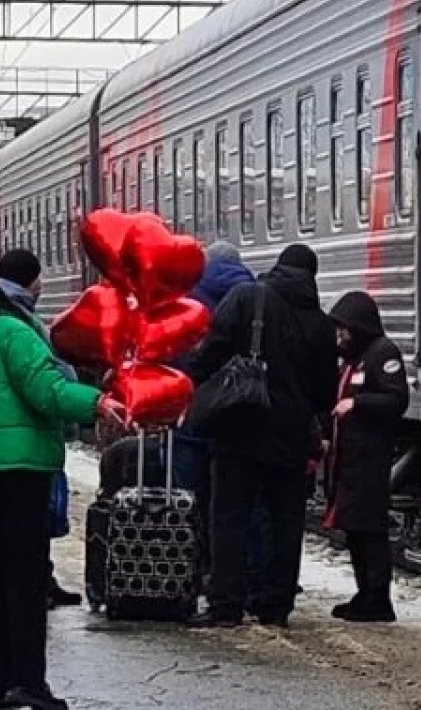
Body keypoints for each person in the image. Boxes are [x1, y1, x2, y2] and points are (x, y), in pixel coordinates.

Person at [0, 252, 123, 710]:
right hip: (19, 473)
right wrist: (96, 402)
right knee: (23, 576)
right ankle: (27, 681)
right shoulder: (9, 331)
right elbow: (46, 390)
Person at [188, 243, 338, 628]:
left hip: (239, 427)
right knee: (285, 524)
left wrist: (196, 386)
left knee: (230, 518)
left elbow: (210, 353)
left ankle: (226, 605)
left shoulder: (246, 298)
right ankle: (275, 606)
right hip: (290, 438)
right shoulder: (321, 324)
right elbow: (325, 395)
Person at [0, 248, 81, 611]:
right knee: (35, 515)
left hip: (8, 434)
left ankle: (38, 579)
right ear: (33, 281)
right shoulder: (21, 319)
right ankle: (32, 585)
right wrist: (85, 404)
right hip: (28, 432)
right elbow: (47, 377)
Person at [324, 290, 409, 623]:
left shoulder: (382, 353)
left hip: (369, 458)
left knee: (370, 528)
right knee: (355, 528)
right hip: (349, 459)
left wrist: (357, 404)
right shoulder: (352, 360)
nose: (340, 335)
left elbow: (396, 399)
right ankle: (365, 593)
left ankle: (377, 597)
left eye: (344, 328)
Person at [175, 241, 253, 588]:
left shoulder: (187, 299)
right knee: (235, 504)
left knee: (191, 495)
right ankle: (237, 573)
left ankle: (195, 566)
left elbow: (179, 358)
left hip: (194, 414)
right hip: (237, 416)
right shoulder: (256, 298)